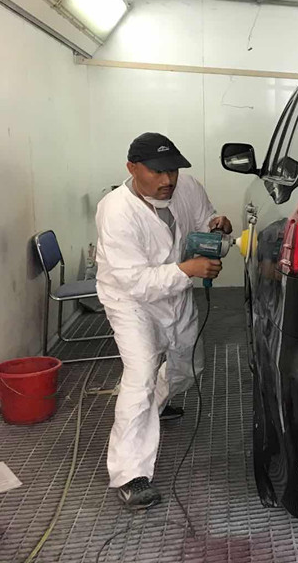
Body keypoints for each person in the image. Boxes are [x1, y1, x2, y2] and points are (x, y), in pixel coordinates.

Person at [95, 132, 232, 509]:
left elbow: (203, 219)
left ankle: (157, 401)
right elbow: (134, 280)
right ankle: (130, 473)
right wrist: (187, 269)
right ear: (132, 168)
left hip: (175, 292)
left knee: (189, 365)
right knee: (140, 376)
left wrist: (217, 225)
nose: (167, 179)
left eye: (172, 170)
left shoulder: (186, 187)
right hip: (130, 301)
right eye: (156, 172)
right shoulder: (116, 211)